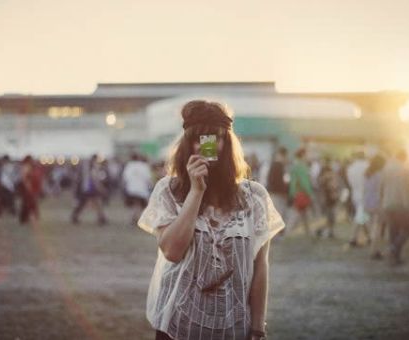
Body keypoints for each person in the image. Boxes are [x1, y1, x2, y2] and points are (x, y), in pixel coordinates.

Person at [138, 100, 284, 340]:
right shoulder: (168, 190)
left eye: (216, 137)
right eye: (199, 139)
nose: (208, 146)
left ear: (227, 142)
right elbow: (172, 252)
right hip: (178, 325)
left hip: (234, 326)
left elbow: (260, 266)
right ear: (187, 144)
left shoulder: (253, 196)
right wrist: (196, 192)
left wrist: (258, 327)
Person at [380, 149, 409, 265]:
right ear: (405, 158)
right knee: (408, 229)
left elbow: (381, 186)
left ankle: (395, 257)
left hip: (387, 203)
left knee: (393, 230)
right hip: (401, 203)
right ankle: (394, 248)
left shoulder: (386, 168)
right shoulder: (406, 170)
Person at [71, 154, 108, 226]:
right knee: (92, 203)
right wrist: (100, 188)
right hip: (90, 188)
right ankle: (101, 217)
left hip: (87, 188)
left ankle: (101, 217)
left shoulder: (88, 166)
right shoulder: (93, 166)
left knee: (90, 203)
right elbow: (95, 178)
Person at [286, 148, 314, 237]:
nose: (308, 156)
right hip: (302, 194)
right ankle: (287, 232)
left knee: (304, 214)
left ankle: (309, 232)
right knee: (297, 215)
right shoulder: (301, 166)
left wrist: (292, 193)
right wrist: (310, 193)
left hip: (296, 193)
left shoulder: (295, 165)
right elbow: (304, 182)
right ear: (303, 155)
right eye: (307, 154)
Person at [363, 154, 386, 259]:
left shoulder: (367, 173)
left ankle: (374, 249)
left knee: (373, 226)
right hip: (377, 202)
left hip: (367, 201)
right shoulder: (380, 175)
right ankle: (374, 251)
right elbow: (382, 190)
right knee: (378, 228)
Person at [346, 151, 370, 247]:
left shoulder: (351, 168)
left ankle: (369, 237)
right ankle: (352, 238)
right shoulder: (367, 166)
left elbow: (349, 182)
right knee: (360, 216)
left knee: (362, 216)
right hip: (365, 193)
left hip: (355, 193)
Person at [122, 152, 153, 226]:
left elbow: (125, 178)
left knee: (133, 206)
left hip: (131, 189)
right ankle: (140, 220)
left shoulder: (129, 166)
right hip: (142, 190)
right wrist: (151, 187)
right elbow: (148, 179)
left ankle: (131, 220)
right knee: (141, 206)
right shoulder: (144, 166)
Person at [315, 156, 339, 238]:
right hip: (326, 197)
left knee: (331, 216)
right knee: (329, 216)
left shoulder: (330, 171)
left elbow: (334, 184)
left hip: (331, 197)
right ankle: (323, 230)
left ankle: (329, 231)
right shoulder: (323, 172)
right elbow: (319, 183)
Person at [266, 146, 289, 224]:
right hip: (277, 195)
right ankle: (277, 235)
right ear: (283, 155)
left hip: (274, 193)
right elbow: (278, 182)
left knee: (276, 215)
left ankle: (277, 234)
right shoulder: (278, 166)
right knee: (278, 215)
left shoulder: (274, 165)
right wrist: (284, 192)